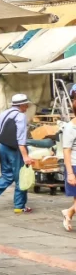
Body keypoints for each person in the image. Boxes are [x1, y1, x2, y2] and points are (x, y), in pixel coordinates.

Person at [0, 93, 34, 214]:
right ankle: (19, 206)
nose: (27, 106)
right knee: (20, 176)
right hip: (14, 149)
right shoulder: (20, 116)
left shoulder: (4, 113)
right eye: (26, 104)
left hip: (1, 146)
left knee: (6, 174)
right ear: (21, 105)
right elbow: (21, 139)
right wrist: (25, 156)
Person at [62, 87, 76, 231]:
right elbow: (66, 151)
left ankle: (69, 212)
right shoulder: (70, 128)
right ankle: (69, 212)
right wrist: (70, 172)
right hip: (74, 165)